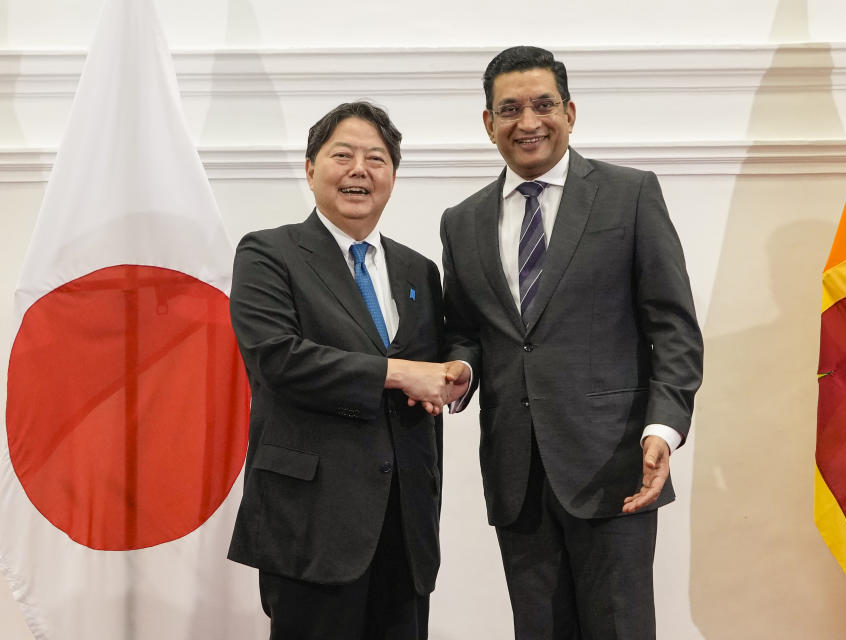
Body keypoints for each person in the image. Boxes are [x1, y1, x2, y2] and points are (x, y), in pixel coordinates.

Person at [440, 46, 704, 639]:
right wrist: (459, 365)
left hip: (615, 467)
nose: (527, 121)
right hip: (517, 476)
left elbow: (674, 327)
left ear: (571, 111)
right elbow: (465, 327)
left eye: (543, 104)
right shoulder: (462, 221)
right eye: (509, 109)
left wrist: (663, 428)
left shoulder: (629, 195)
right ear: (488, 123)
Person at [227, 101, 466, 640]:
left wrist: (456, 374)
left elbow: (443, 357)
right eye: (343, 155)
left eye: (376, 159)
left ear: (393, 177)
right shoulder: (268, 253)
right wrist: (400, 373)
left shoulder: (418, 270)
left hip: (406, 526)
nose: (360, 169)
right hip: (311, 521)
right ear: (311, 169)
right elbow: (277, 358)